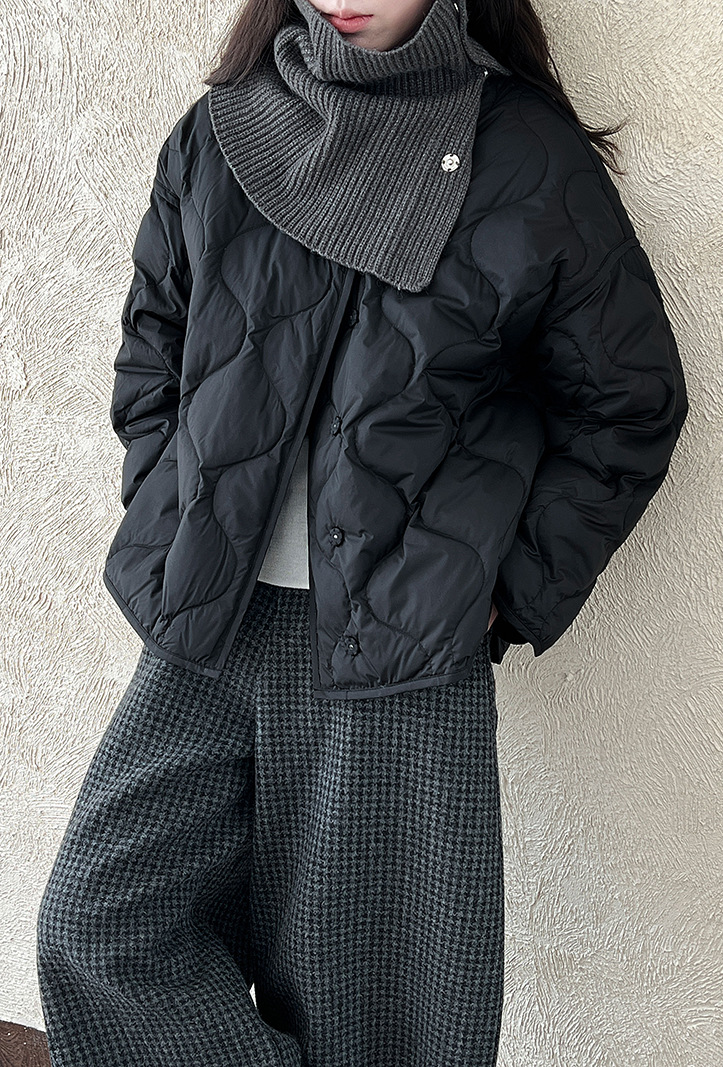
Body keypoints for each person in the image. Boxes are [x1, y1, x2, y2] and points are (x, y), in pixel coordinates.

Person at [35, 0, 689, 1064]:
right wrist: (169, 502)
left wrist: (502, 591)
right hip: (211, 624)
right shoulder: (225, 131)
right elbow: (153, 344)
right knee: (99, 928)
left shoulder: (523, 152)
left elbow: (629, 402)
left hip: (399, 660)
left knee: (378, 1024)